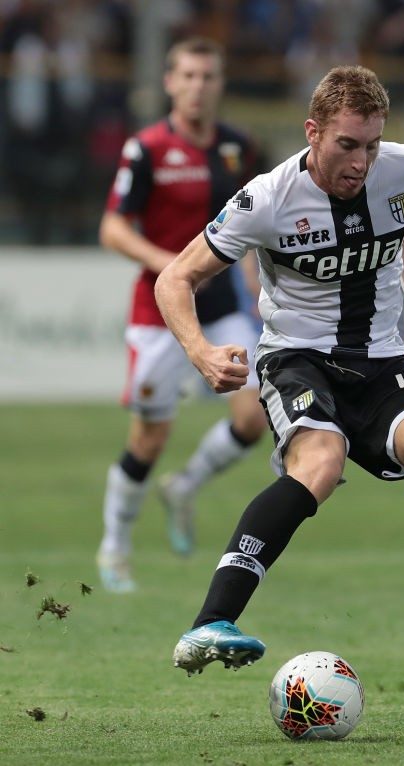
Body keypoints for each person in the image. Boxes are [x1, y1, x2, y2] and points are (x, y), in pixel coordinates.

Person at [154, 65, 404, 730]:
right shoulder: (267, 199)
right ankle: (211, 622)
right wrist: (202, 352)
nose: (361, 163)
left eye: (372, 146)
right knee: (320, 464)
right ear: (313, 133)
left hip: (379, 359)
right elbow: (174, 278)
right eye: (347, 145)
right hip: (297, 358)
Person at [97, 37, 267, 593]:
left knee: (252, 417)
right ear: (169, 82)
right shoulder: (146, 149)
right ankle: (115, 547)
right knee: (149, 438)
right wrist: (170, 267)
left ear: (220, 84)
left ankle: (186, 485)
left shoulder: (239, 148)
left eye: (208, 76)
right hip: (159, 310)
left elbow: (258, 224)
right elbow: (113, 227)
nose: (198, 86)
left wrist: (256, 280)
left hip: (220, 307)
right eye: (188, 76)